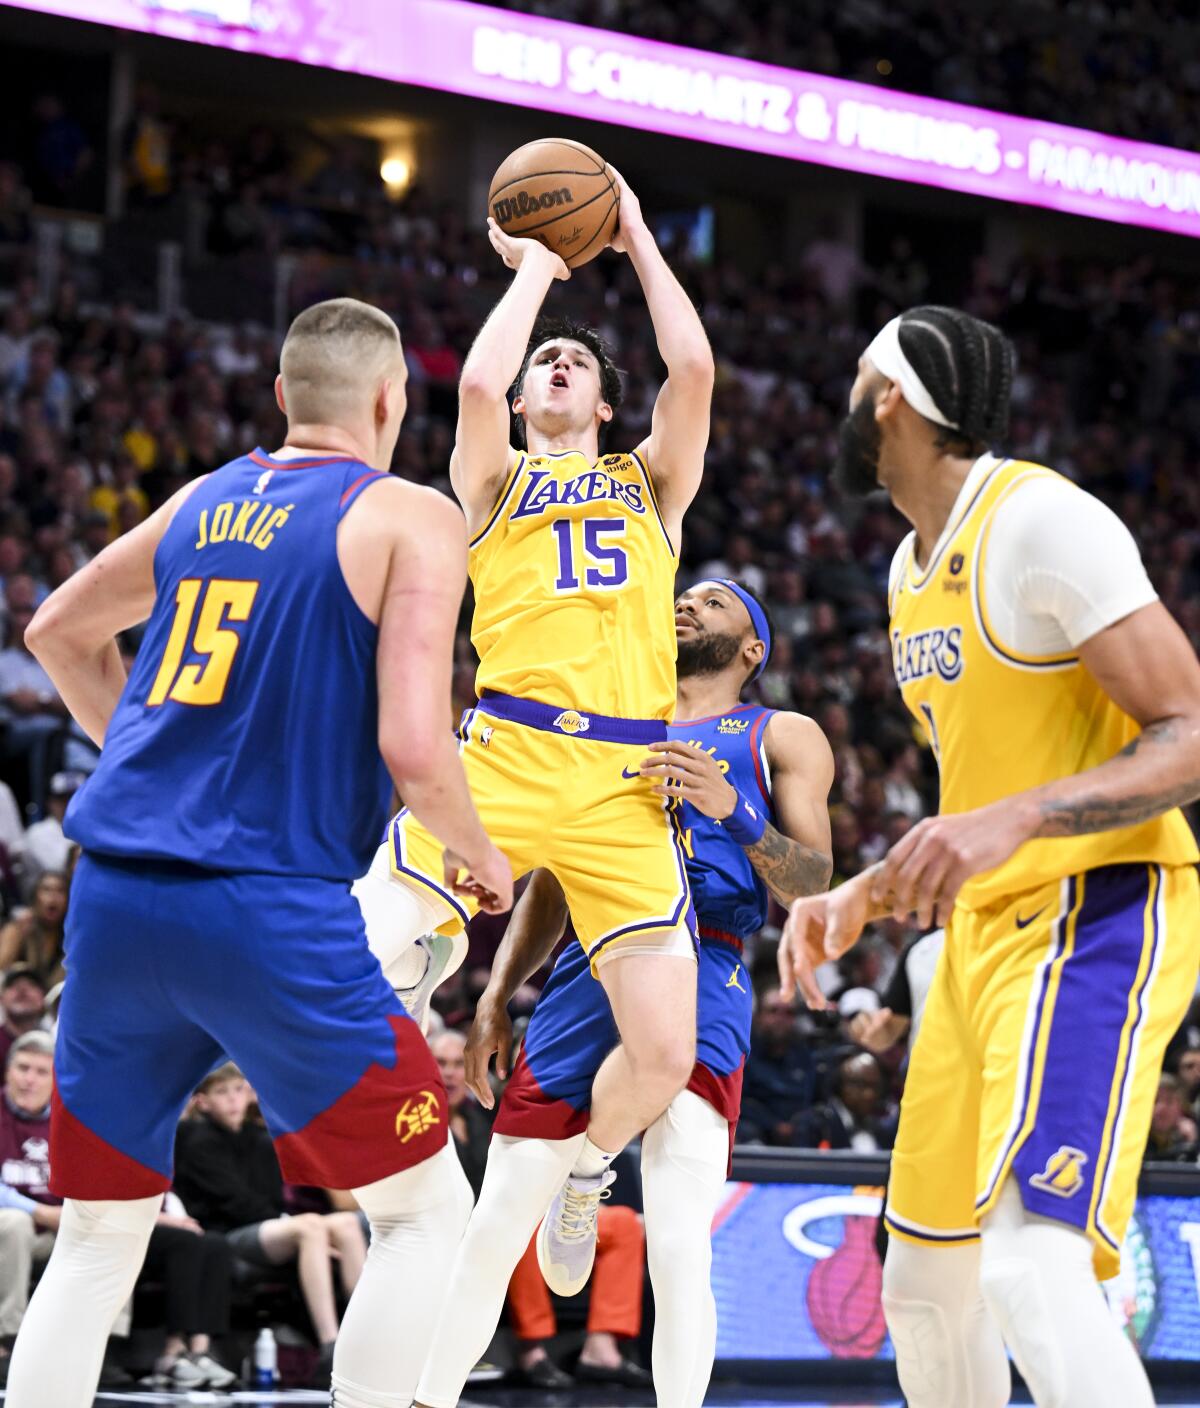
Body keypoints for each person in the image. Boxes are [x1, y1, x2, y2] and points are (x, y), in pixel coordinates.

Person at [5, 296, 511, 1408]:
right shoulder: (409, 515)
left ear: (283, 397)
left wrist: (160, 762)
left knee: (96, 1242)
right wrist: (482, 857)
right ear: (392, 401)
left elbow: (54, 632)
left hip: (118, 896)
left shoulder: (201, 499)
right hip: (267, 908)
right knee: (424, 1211)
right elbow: (416, 745)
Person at [780, 305, 1200, 1408]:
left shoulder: (1043, 521)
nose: (843, 398)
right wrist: (862, 896)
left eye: (859, 376)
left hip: (1099, 910)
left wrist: (1022, 818)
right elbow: (971, 802)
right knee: (924, 1281)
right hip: (981, 936)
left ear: (896, 400)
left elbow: (1192, 731)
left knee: (1028, 1264)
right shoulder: (908, 574)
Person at [354, 170, 716, 1333]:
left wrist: (643, 239)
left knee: (665, 1052)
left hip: (621, 785)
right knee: (369, 945)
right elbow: (472, 389)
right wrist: (539, 273)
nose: (558, 371)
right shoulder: (494, 478)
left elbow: (696, 373)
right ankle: (397, 1089)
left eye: (581, 368)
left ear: (608, 407)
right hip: (505, 755)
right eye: (545, 366)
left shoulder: (647, 486)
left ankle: (585, 1165)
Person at [417, 579, 834, 1408]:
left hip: (707, 958)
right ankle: (428, 1398)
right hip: (589, 962)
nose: (687, 606)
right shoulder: (610, 715)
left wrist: (735, 812)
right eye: (684, 596)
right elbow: (554, 876)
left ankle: (591, 1176)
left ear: (754, 650)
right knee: (495, 1219)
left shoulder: (781, 734)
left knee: (680, 1244)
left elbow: (814, 881)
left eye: (713, 604)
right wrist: (501, 991)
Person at [173, 1064, 363, 1373]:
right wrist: (285, 1223)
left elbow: (272, 1197)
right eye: (222, 1092)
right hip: (224, 1233)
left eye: (237, 1090)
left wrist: (283, 1221)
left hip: (267, 1225)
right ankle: (331, 1341)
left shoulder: (260, 1137)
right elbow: (233, 1203)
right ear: (202, 1102)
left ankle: (366, 1336)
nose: (233, 1100)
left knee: (346, 1223)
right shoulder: (195, 1138)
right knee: (311, 1226)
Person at [0, 1033, 59, 1378]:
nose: (29, 1079)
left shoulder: (70, 1124)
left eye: (41, 1071)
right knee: (14, 1223)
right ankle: (8, 1335)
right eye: (23, 1068)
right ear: (8, 1071)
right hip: (11, 1228)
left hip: (52, 1232)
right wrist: (37, 1211)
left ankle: (103, 1345)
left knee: (104, 1236)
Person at [0, 871, 68, 987]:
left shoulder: (70, 937)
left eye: (60, 891)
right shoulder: (17, 929)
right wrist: (19, 937)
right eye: (46, 890)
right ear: (35, 896)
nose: (53, 897)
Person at [0, 966, 47, 1068]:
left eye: (32, 984)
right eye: (12, 985)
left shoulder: (56, 1046)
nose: (22, 989)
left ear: (43, 998)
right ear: (1, 999)